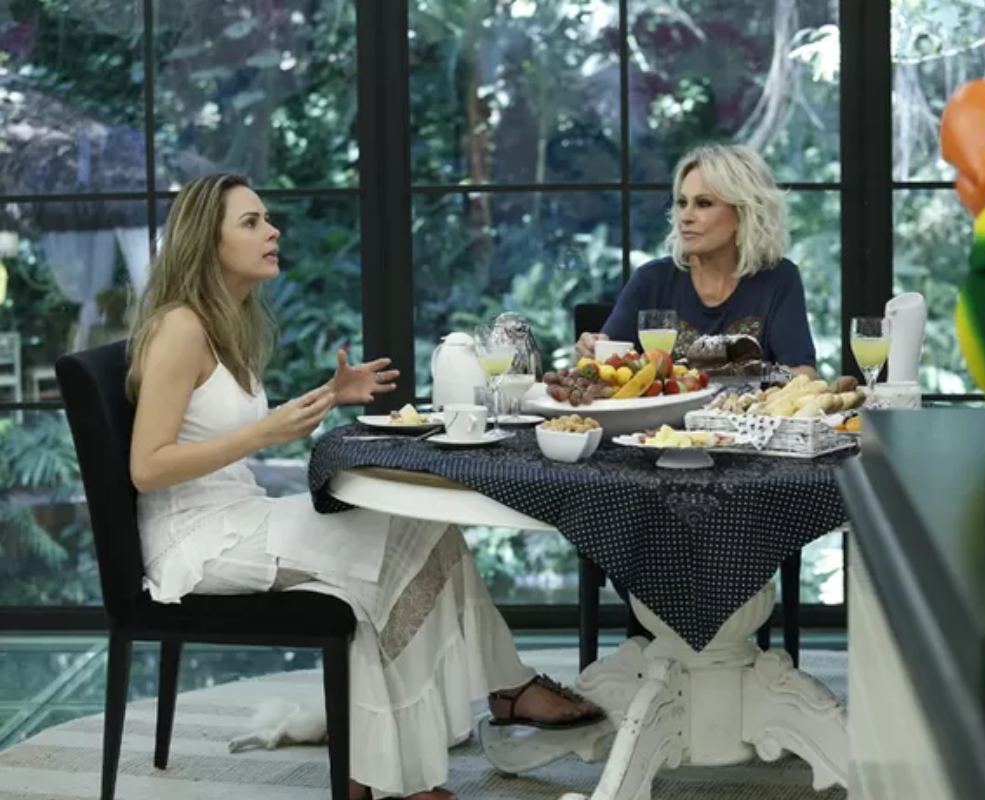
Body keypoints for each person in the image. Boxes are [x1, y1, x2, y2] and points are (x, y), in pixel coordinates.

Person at [126, 174, 603, 800]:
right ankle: (437, 744)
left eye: (266, 218)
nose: (272, 231)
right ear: (205, 242)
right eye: (250, 222)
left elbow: (222, 425)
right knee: (397, 548)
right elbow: (148, 466)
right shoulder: (180, 328)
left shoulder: (227, 323)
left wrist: (331, 395)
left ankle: (390, 761)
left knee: (419, 532)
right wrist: (264, 433)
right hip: (198, 542)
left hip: (239, 515)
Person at [576, 143, 819, 378]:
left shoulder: (778, 278)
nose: (685, 216)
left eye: (703, 204)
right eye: (682, 203)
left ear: (744, 213)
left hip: (749, 409)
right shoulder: (651, 280)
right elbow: (605, 369)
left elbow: (802, 373)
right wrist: (590, 352)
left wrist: (736, 379)